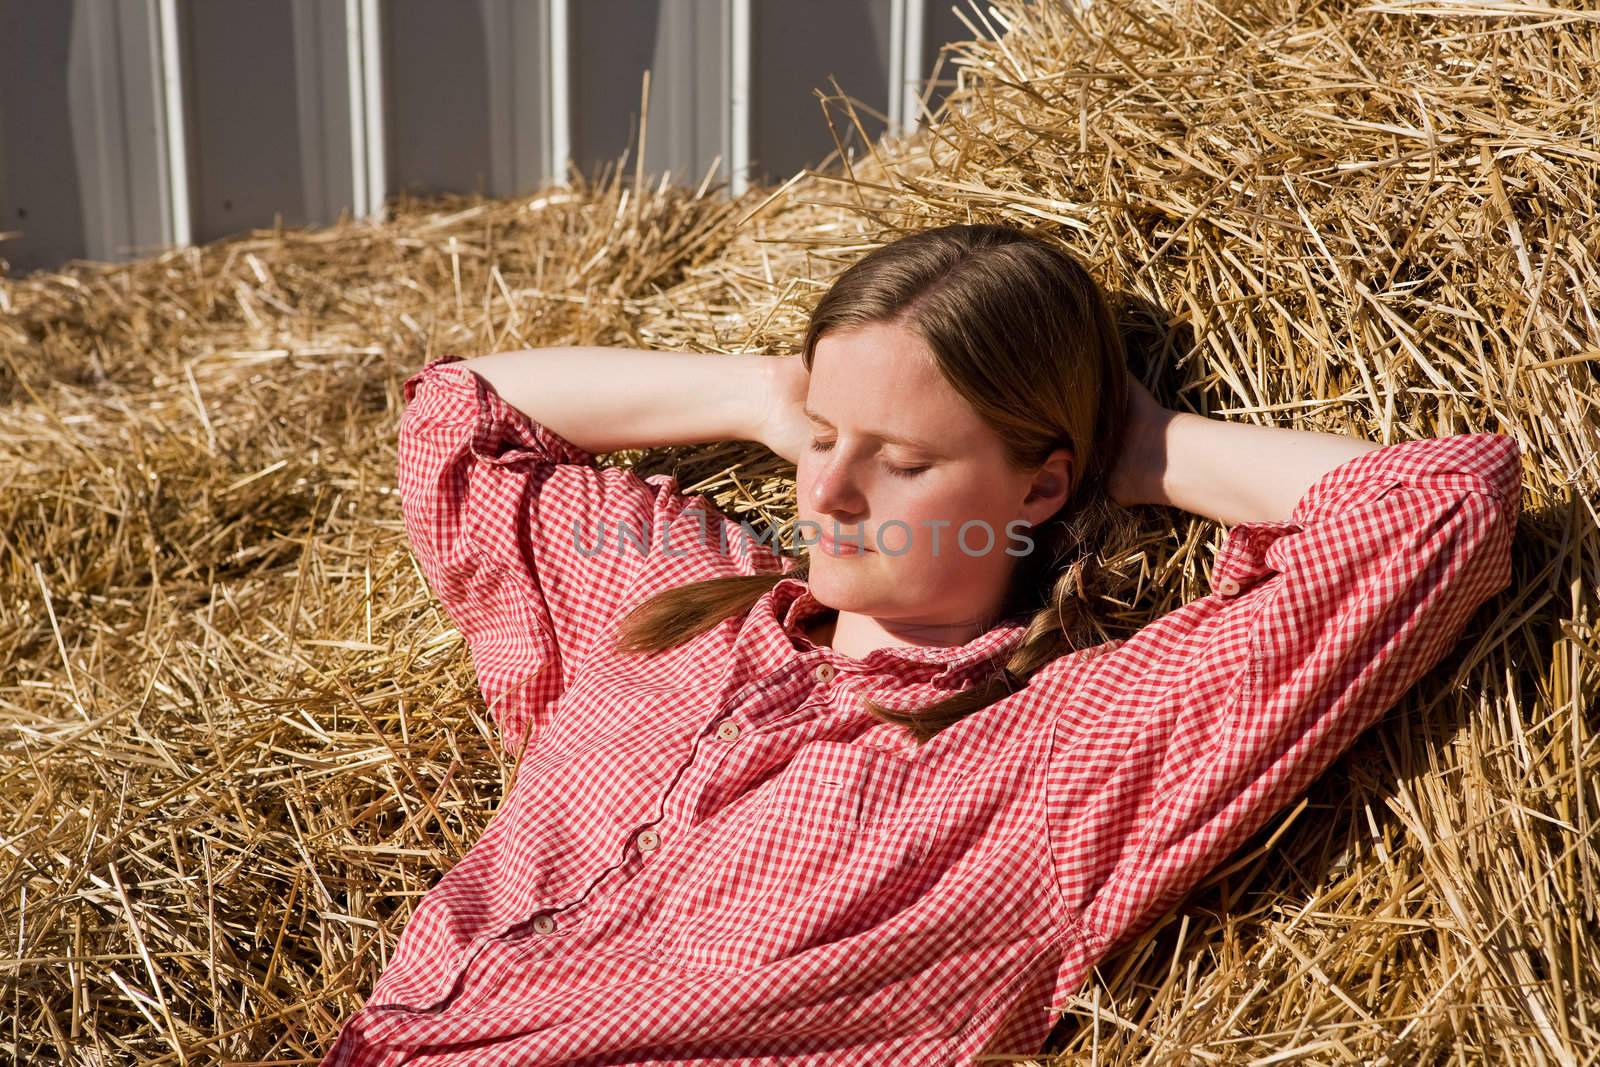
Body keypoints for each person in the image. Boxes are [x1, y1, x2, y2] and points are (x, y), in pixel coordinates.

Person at [319, 223, 1521, 1065]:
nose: (827, 492)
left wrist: (1142, 451)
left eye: (901, 459)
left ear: (1040, 483)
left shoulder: (1059, 751)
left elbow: (1444, 510)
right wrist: (757, 392)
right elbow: (464, 414)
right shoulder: (678, 604)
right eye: (822, 438)